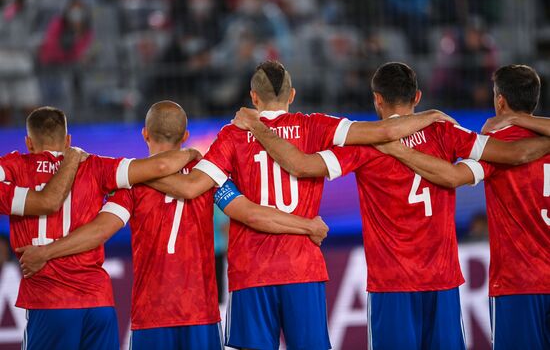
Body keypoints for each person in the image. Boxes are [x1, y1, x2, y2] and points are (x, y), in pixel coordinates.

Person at [140, 60, 458, 349]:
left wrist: (142, 171)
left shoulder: (231, 137)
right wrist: (429, 115)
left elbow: (191, 187)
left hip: (252, 273)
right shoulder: (315, 126)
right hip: (302, 268)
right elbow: (386, 130)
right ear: (292, 94)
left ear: (253, 97)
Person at [231, 62, 550, 350]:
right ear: (418, 96)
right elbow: (514, 153)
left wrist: (259, 128)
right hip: (443, 280)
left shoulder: (367, 145)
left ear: (377, 99)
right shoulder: (444, 131)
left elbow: (299, 165)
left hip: (391, 284)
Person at [16, 101, 329, 350]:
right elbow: (251, 214)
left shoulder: (132, 185)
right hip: (201, 316)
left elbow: (101, 230)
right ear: (186, 136)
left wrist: (48, 251)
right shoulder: (209, 178)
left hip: (152, 316)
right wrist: (307, 226)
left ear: (144, 134)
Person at [375, 65, 550, 350]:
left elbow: (453, 177)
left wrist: (397, 149)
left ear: (500, 101)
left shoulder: (496, 147)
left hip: (520, 282)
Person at [0, 106, 201, 350]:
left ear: (28, 143)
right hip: (98, 304)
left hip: (49, 301)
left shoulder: (16, 165)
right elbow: (159, 167)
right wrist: (191, 152)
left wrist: (45, 252)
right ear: (68, 140)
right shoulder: (96, 167)